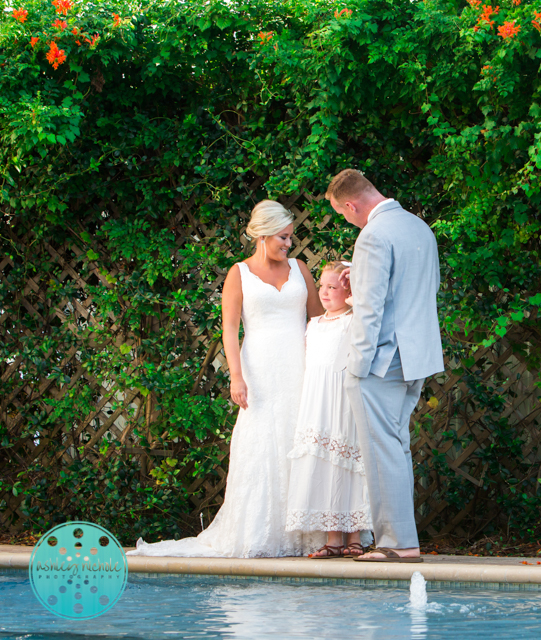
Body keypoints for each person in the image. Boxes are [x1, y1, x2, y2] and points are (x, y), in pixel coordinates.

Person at [128, 200, 324, 558]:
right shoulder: (240, 273)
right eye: (282, 237)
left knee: (302, 439)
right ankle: (258, 531)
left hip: (301, 366)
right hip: (260, 368)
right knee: (261, 442)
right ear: (263, 236)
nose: (288, 244)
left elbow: (319, 318)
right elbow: (229, 329)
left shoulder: (300, 269)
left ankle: (305, 533)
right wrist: (236, 376)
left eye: (290, 237)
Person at [325, 169, 444, 563]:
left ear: (350, 204)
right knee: (395, 447)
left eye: (344, 215)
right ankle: (401, 539)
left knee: (381, 451)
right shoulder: (419, 227)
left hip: (381, 360)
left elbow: (370, 311)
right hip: (416, 356)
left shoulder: (373, 235)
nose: (348, 221)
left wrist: (355, 365)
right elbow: (416, 290)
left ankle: (396, 543)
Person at [285, 261, 373, 558]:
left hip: (344, 403)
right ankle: (333, 536)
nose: (324, 292)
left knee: (348, 464)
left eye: (333, 287)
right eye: (322, 286)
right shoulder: (313, 325)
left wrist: (355, 293)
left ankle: (355, 535)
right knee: (326, 465)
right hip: (318, 401)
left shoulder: (353, 320)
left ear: (348, 291)